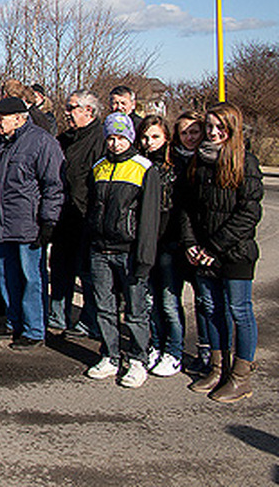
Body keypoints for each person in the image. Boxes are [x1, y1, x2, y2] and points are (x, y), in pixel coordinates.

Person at [180, 102, 263, 403]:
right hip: (203, 253)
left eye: (220, 127)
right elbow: (187, 209)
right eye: (210, 127)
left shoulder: (246, 162)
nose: (214, 133)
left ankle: (241, 377)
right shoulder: (198, 162)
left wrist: (214, 247)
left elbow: (248, 213)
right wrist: (191, 243)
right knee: (211, 308)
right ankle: (218, 368)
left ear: (232, 129)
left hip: (235, 253)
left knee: (240, 311)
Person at [0, 96, 64, 350]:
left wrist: (49, 220)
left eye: (1, 118)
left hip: (29, 224)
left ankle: (34, 330)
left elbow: (54, 185)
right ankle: (14, 321)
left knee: (31, 278)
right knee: (6, 275)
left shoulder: (41, 142)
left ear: (18, 118)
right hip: (2, 222)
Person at [83, 113, 160, 389]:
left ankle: (138, 359)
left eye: (120, 137)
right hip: (100, 250)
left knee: (136, 311)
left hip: (129, 252)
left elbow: (149, 219)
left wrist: (144, 258)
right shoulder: (99, 167)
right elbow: (92, 208)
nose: (115, 143)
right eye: (111, 138)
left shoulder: (144, 169)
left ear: (130, 137)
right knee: (104, 307)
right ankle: (110, 355)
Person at [49, 90, 105, 338]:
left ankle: (89, 321)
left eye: (71, 108)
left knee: (88, 273)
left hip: (87, 216)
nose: (67, 113)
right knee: (60, 268)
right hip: (64, 214)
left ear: (88, 111)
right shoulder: (64, 139)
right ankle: (57, 315)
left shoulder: (100, 139)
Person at [137, 115, 184, 377]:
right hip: (146, 243)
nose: (149, 142)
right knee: (149, 300)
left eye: (155, 136)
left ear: (166, 137)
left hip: (168, 243)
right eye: (145, 137)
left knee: (169, 302)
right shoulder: (139, 164)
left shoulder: (174, 166)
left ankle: (174, 351)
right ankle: (155, 344)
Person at [170, 110, 211, 375]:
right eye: (184, 132)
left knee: (206, 301)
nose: (189, 137)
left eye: (194, 131)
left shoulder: (209, 160)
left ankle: (209, 351)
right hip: (176, 240)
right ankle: (173, 348)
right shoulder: (172, 160)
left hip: (203, 242)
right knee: (171, 300)